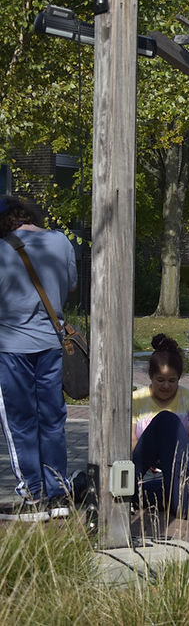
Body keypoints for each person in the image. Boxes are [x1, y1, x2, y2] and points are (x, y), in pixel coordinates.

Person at [0, 196, 76, 520]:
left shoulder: (2, 249)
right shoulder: (60, 242)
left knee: (20, 422)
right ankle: (58, 490)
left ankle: (32, 492)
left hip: (10, 347)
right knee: (52, 419)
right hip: (52, 345)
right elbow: (71, 285)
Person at [132, 334, 189, 472]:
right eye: (160, 380)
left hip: (180, 461)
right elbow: (131, 440)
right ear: (151, 376)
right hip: (144, 461)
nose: (166, 386)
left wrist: (170, 456)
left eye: (172, 381)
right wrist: (151, 458)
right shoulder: (135, 400)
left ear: (179, 378)